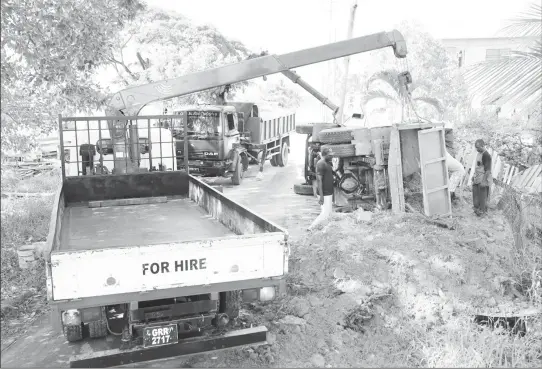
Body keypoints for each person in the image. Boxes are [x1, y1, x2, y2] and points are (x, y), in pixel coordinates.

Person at [308, 147, 334, 231]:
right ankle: (311, 228)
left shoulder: (327, 162)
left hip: (328, 193)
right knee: (325, 213)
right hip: (324, 193)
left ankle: (325, 230)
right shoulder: (320, 164)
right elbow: (319, 180)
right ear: (325, 155)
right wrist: (321, 196)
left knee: (329, 213)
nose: (332, 156)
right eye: (330, 155)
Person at [472, 139, 492, 216]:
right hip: (477, 177)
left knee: (482, 197)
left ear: (483, 146)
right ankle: (477, 210)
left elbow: (488, 170)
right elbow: (478, 166)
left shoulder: (486, 155)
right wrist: (474, 175)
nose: (477, 149)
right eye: (476, 147)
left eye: (478, 147)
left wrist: (484, 182)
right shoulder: (479, 153)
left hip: (483, 178)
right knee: (475, 196)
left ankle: (483, 213)